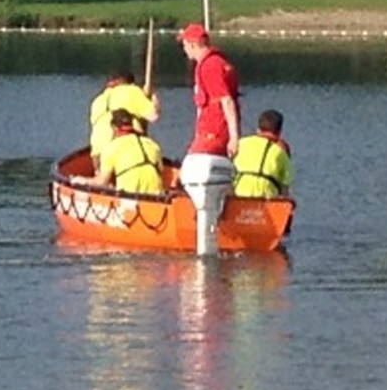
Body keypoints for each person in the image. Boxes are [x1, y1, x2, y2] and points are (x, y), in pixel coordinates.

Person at [177, 22, 240, 254]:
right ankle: (216, 214)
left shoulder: (210, 67)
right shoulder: (214, 63)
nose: (183, 48)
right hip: (212, 131)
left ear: (193, 44)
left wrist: (234, 137)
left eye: (184, 44)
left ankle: (199, 220)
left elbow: (226, 101)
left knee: (188, 172)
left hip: (213, 133)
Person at [82, 108, 165, 195]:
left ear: (114, 128)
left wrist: (82, 181)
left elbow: (101, 182)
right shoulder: (153, 144)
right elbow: (160, 172)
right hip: (157, 198)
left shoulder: (111, 147)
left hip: (129, 198)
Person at [88, 70, 159, 162]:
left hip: (98, 152)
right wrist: (153, 97)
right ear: (130, 83)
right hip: (125, 148)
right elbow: (154, 116)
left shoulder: (97, 101)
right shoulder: (132, 90)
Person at [233, 109, 293, 198]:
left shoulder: (240, 144)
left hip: (239, 197)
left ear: (258, 130)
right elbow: (285, 189)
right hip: (267, 199)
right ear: (279, 132)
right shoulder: (281, 151)